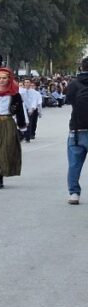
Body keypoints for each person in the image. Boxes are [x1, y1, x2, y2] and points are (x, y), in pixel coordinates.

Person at [0, 68, 26, 189]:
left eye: (4, 78)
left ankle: (2, 172)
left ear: (9, 79)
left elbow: (20, 111)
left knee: (6, 149)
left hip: (8, 123)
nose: (2, 80)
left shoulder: (15, 95)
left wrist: (22, 127)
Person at [65, 58, 88, 204]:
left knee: (74, 164)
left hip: (77, 129)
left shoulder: (73, 84)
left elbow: (68, 100)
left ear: (81, 68)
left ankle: (74, 193)